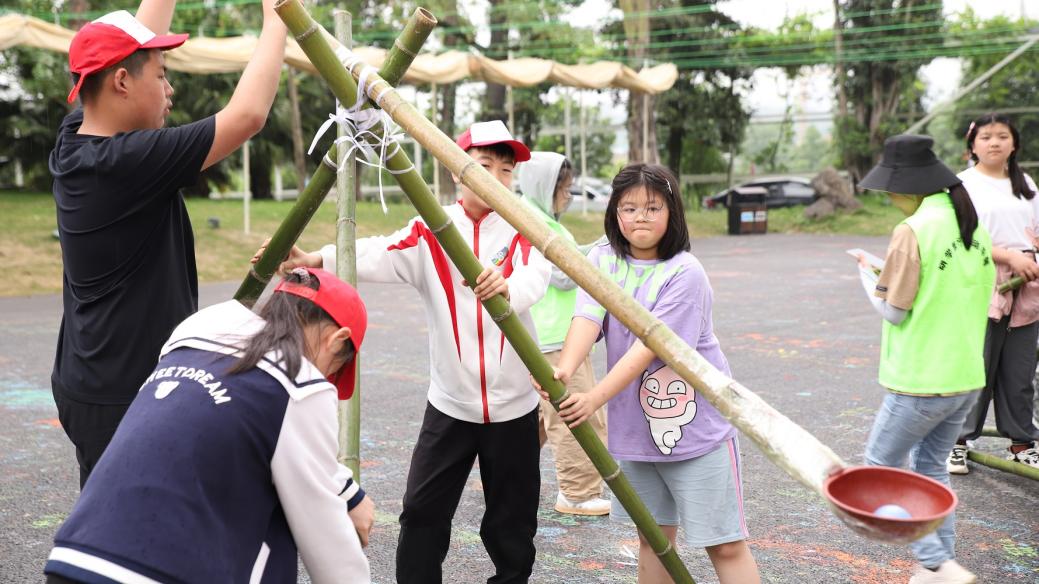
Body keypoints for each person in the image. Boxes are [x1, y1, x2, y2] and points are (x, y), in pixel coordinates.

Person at [256, 120, 550, 583]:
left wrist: (508, 287)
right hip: (450, 405)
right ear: (458, 171)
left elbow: (535, 278)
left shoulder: (523, 227)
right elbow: (375, 251)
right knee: (421, 515)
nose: (495, 178)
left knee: (512, 524)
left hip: (515, 408)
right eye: (483, 165)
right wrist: (315, 259)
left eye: (505, 170)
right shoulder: (432, 229)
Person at [49, 0, 288, 487]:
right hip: (123, 391)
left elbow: (137, 39)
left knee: (121, 515)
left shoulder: (76, 138)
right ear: (120, 82)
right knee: (130, 529)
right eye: (161, 76)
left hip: (94, 374)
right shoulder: (124, 163)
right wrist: (277, 16)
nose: (170, 90)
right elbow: (247, 117)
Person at [43, 268, 375, 584]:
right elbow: (327, 539)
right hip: (163, 571)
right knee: (274, 519)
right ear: (337, 339)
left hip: (77, 554)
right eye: (334, 367)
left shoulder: (197, 330)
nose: (326, 376)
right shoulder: (302, 386)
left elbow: (239, 428)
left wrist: (348, 492)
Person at [542, 163, 760, 584]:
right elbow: (587, 315)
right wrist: (563, 370)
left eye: (652, 207)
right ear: (614, 213)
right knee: (654, 539)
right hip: (636, 432)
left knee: (725, 543)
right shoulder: (603, 259)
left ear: (672, 213)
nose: (639, 217)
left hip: (697, 432)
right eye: (628, 208)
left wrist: (594, 398)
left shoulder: (685, 273)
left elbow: (649, 346)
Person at [855, 135, 993, 584]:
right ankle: (938, 569)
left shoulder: (912, 230)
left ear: (908, 187)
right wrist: (883, 268)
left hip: (921, 380)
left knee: (878, 469)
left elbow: (894, 311)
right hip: (965, 375)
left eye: (890, 189)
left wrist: (865, 278)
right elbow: (943, 288)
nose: (889, 196)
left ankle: (937, 562)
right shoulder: (969, 223)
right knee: (932, 472)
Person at [516, 152, 611, 516]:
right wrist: (601, 249)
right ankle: (577, 492)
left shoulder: (541, 219)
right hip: (553, 338)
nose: (568, 196)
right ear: (545, 187)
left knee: (538, 419)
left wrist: (599, 246)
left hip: (554, 335)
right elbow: (562, 273)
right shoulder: (532, 223)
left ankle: (506, 474)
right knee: (574, 416)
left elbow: (568, 259)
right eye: (565, 189)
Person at [945, 114, 1039, 474]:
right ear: (973, 145)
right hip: (983, 282)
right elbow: (964, 237)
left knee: (1019, 370)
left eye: (1003, 136)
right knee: (975, 366)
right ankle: (958, 442)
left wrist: (1030, 261)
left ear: (1014, 144)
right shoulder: (962, 185)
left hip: (1026, 285)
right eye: (986, 137)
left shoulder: (1026, 183)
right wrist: (1009, 257)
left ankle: (1021, 442)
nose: (995, 143)